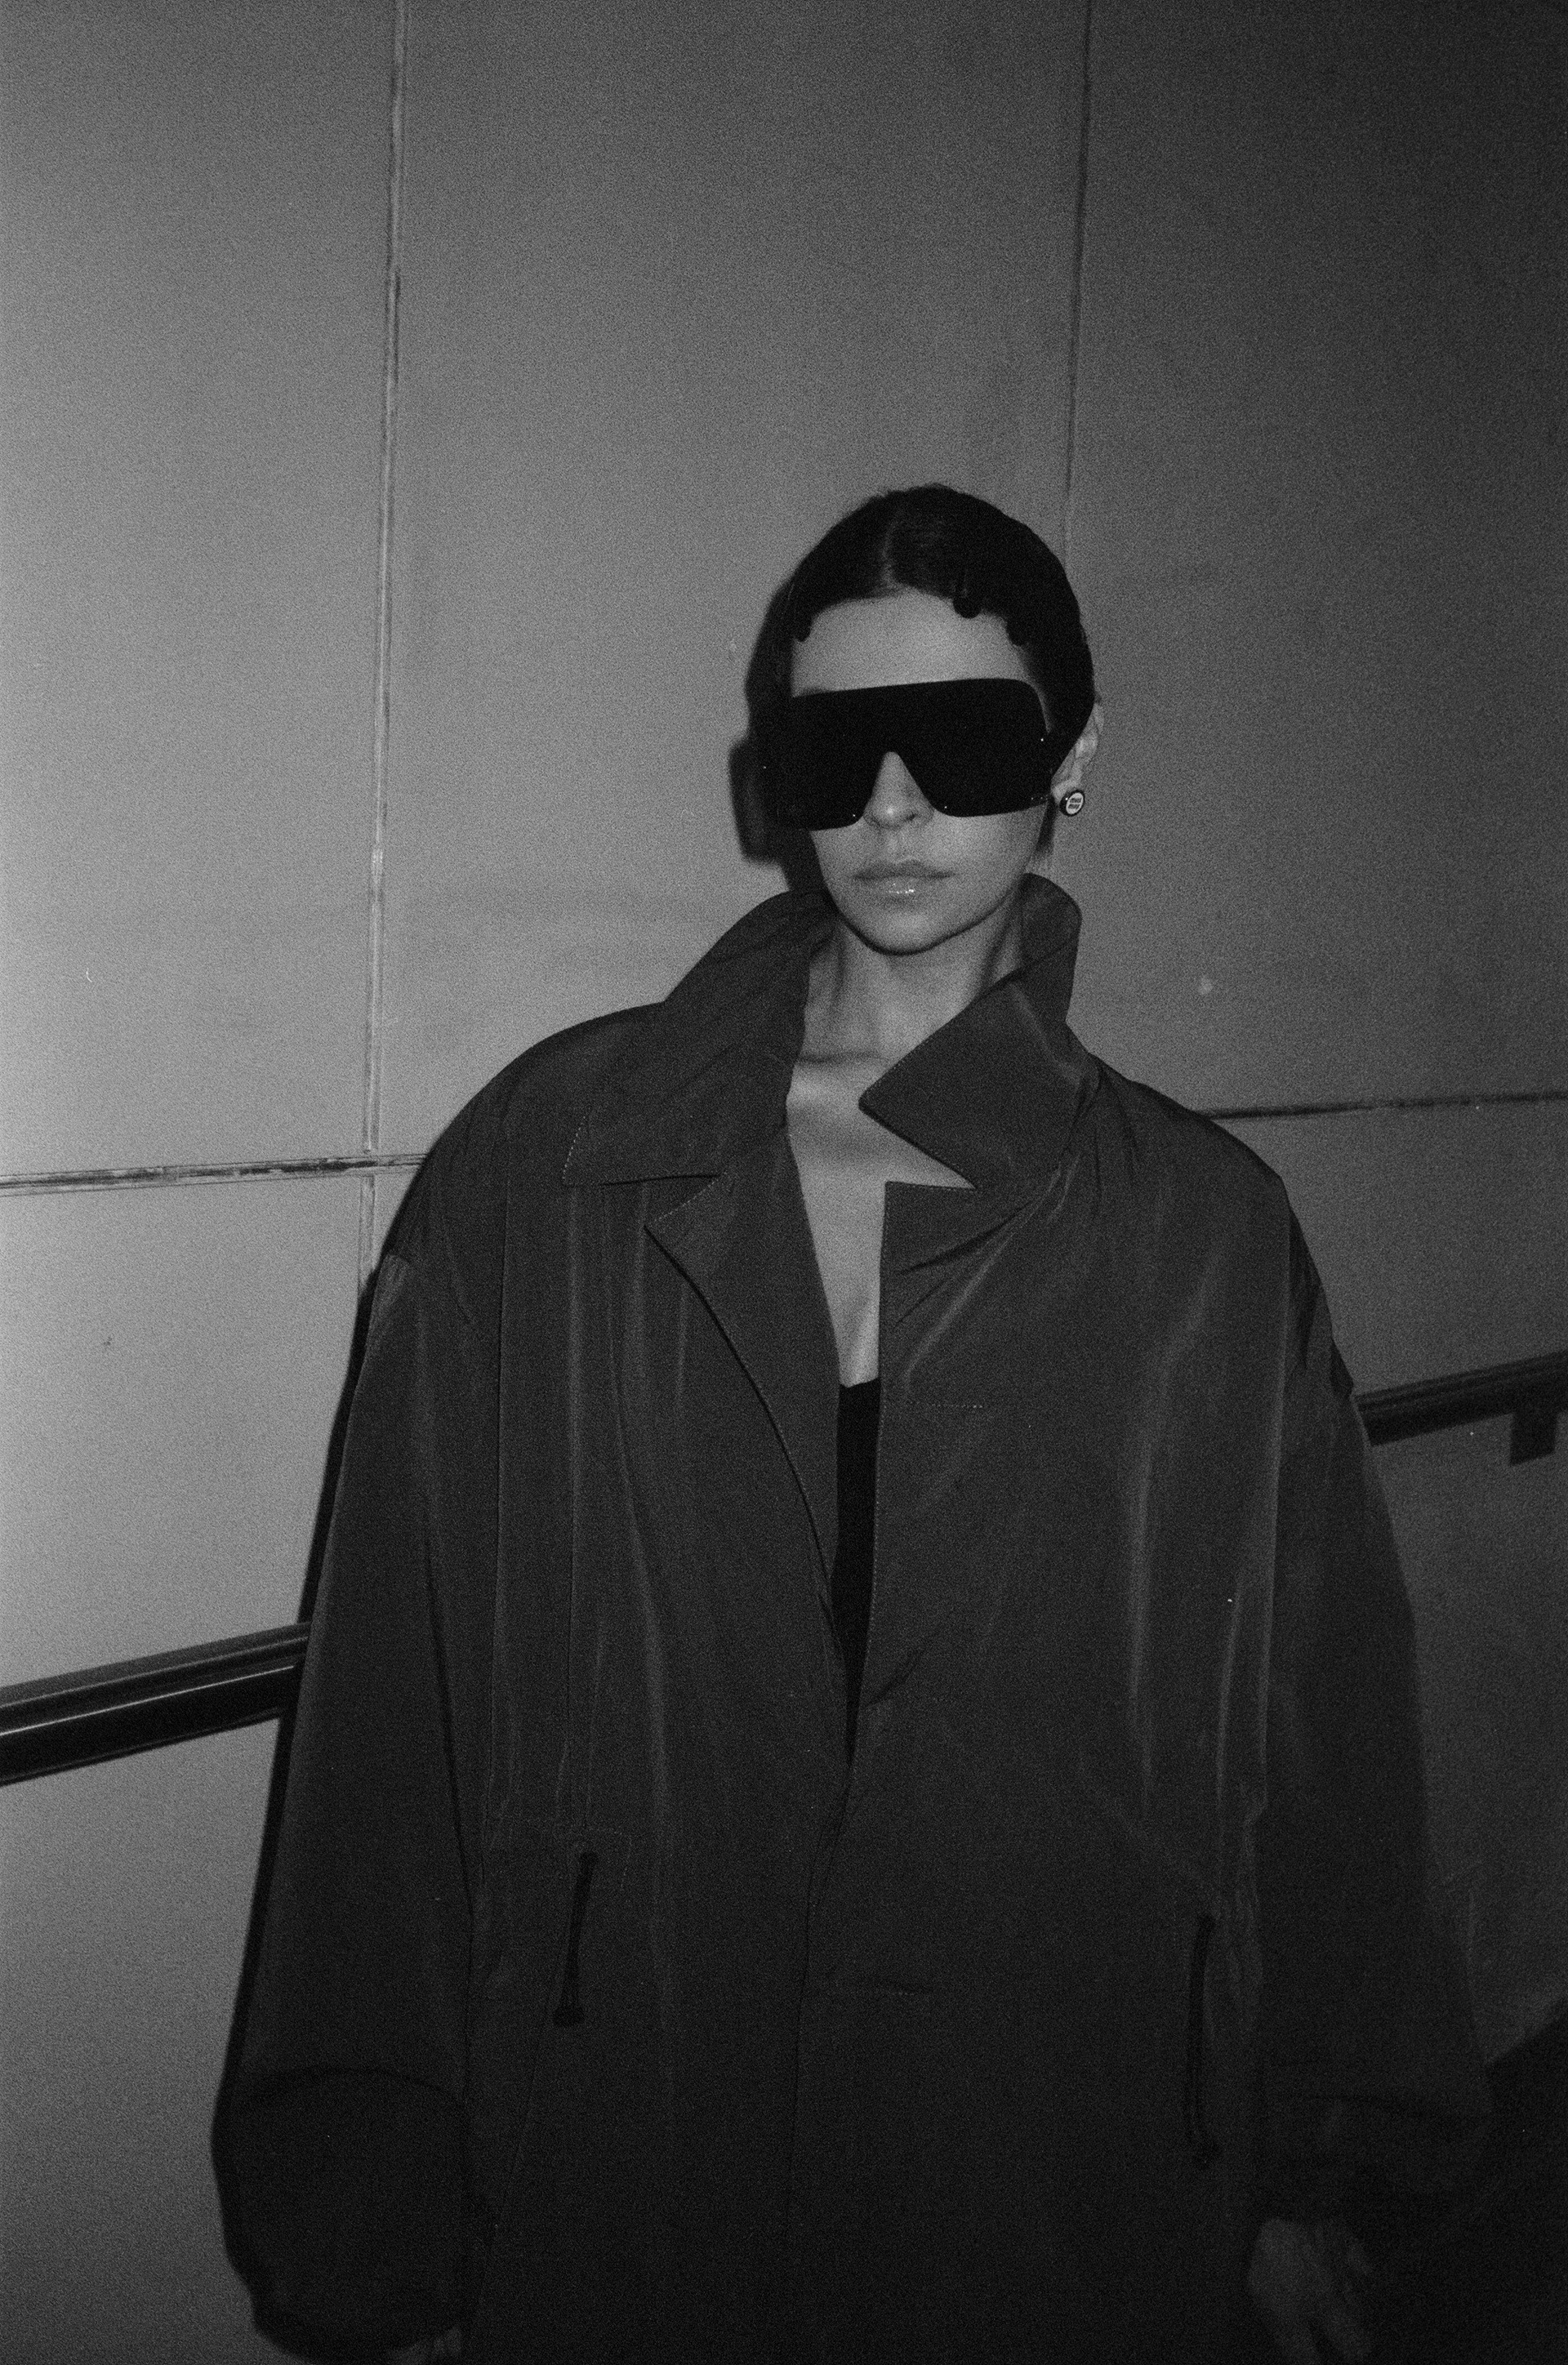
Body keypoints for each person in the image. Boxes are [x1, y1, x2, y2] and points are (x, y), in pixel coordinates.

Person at [217, 486, 1488, 2363]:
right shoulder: (546, 1167)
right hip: (630, 2124)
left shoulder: (1203, 1235)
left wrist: (1313, 2163)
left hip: (1060, 2158)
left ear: (1074, 754)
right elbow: (391, 1710)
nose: (893, 804)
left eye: (963, 738)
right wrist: (373, 2201)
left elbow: (1326, 1734)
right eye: (836, 749)